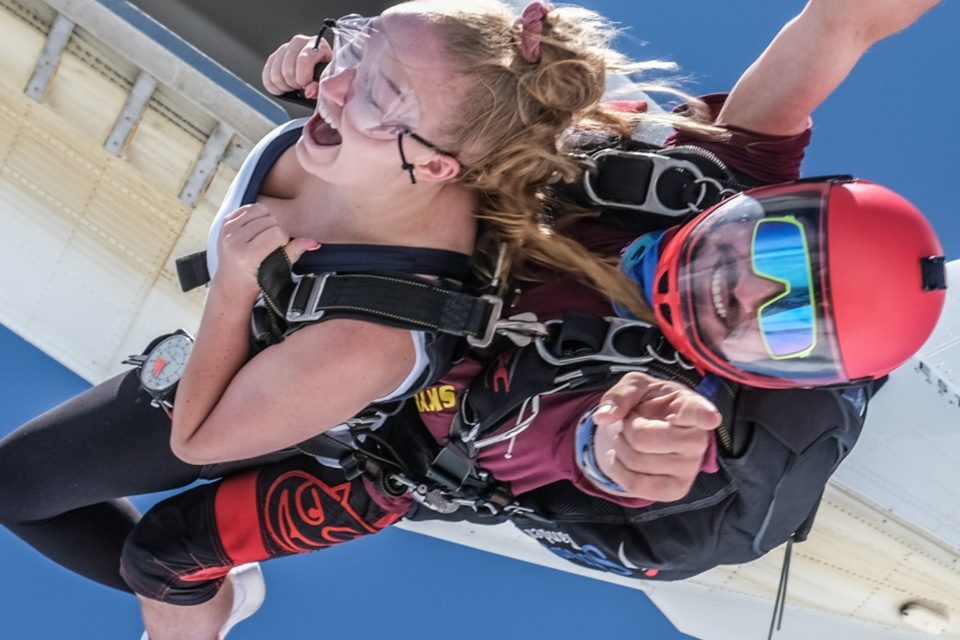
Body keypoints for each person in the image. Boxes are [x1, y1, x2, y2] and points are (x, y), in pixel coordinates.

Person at [0, 0, 944, 638]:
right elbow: (843, 22)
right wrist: (345, 75)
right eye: (779, 255)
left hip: (391, 450)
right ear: (768, 203)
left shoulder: (628, 406)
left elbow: (609, 455)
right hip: (345, 336)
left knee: (164, 555)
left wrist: (637, 455)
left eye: (784, 326)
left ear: (779, 375)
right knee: (22, 482)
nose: (743, 294)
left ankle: (209, 604)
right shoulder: (710, 173)